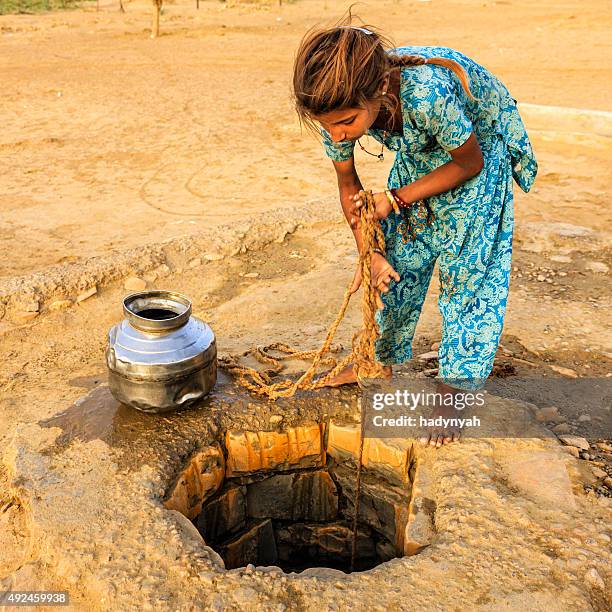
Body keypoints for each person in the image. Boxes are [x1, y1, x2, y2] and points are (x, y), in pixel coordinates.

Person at [291, 20, 538, 446]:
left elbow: (468, 163)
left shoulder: (427, 95)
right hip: (423, 157)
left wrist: (398, 198)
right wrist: (370, 252)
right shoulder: (336, 108)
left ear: (380, 92)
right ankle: (376, 360)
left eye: (346, 123)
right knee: (397, 260)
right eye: (327, 127)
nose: (338, 135)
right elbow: (350, 191)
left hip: (475, 159)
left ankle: (455, 396)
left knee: (468, 281)